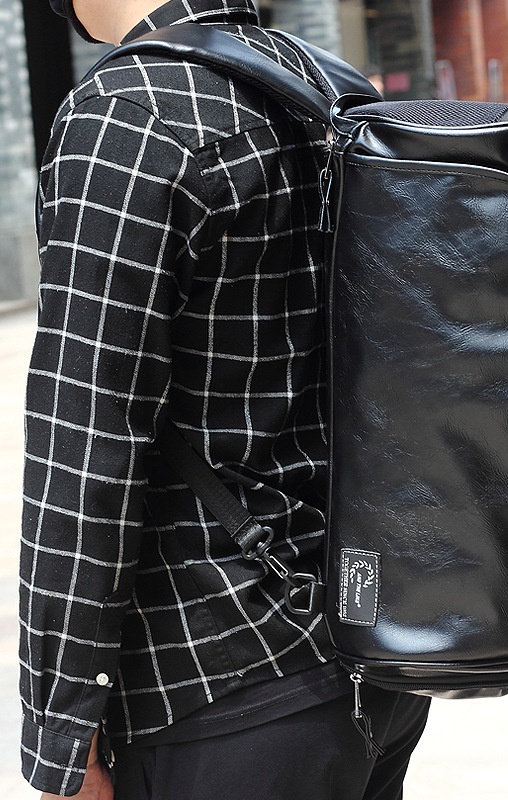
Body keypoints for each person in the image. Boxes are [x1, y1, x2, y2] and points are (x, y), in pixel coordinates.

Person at [20, 2, 430, 799]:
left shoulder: (127, 115)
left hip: (217, 684)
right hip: (367, 648)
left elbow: (86, 444)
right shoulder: (325, 84)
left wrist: (61, 734)